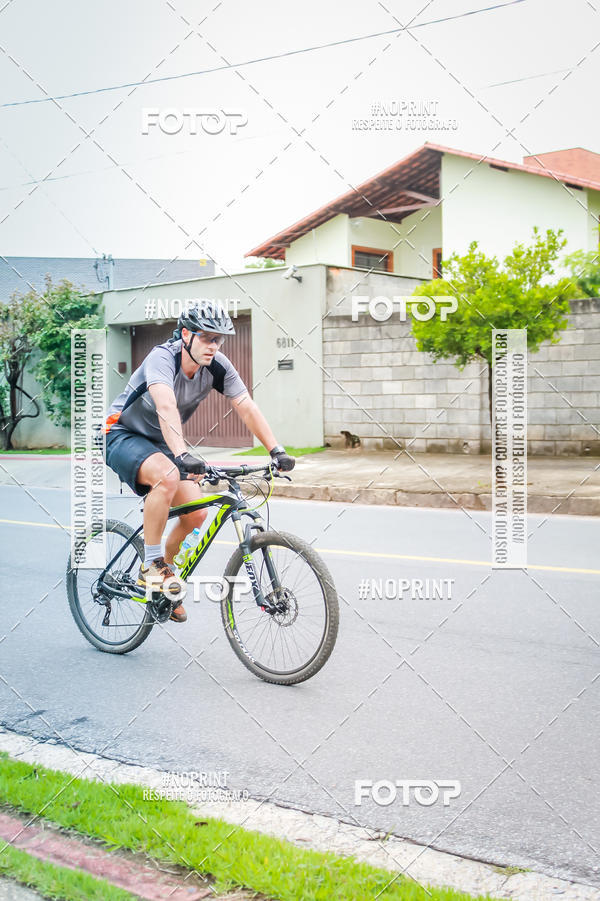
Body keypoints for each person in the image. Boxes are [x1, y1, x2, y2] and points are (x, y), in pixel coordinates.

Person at [103, 301, 294, 623]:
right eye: (207, 338)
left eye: (219, 339)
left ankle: (163, 575)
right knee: (166, 476)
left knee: (197, 513)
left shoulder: (217, 365)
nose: (214, 346)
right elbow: (165, 405)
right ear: (187, 334)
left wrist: (276, 450)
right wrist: (180, 456)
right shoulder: (162, 358)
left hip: (162, 441)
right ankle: (150, 564)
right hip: (121, 433)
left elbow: (245, 405)